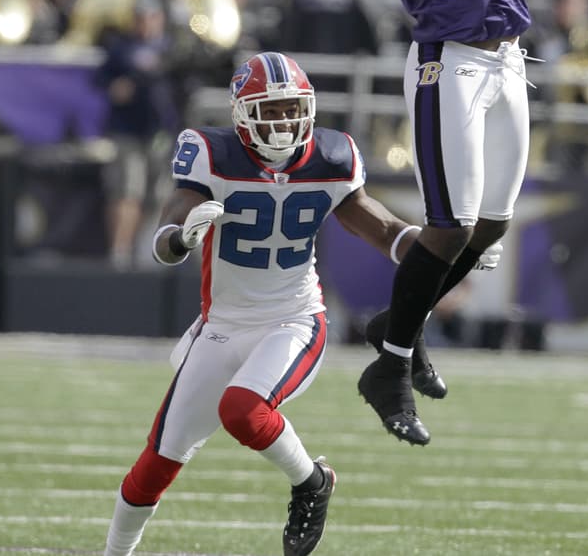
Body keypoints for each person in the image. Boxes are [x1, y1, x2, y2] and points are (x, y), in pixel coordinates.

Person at [102, 52, 422, 556]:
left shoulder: (332, 156)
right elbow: (165, 239)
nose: (284, 121)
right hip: (222, 327)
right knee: (155, 466)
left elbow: (383, 229)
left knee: (243, 409)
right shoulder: (212, 154)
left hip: (293, 319)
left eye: (292, 108)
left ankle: (311, 482)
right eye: (270, 110)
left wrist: (441, 252)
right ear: (242, 113)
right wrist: (182, 239)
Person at [329, 0, 532, 445]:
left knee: (493, 223)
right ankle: (389, 364)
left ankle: (396, 324)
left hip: (510, 55)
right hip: (449, 56)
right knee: (447, 225)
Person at [95, 0, 179, 268]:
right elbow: (100, 79)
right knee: (127, 190)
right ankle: (119, 254)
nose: (146, 24)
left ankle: (147, 254)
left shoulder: (172, 49)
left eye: (152, 18)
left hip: (161, 133)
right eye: (141, 18)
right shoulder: (121, 48)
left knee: (161, 194)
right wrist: (115, 88)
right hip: (127, 131)